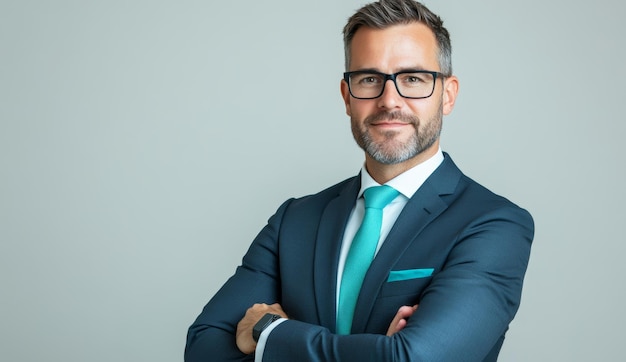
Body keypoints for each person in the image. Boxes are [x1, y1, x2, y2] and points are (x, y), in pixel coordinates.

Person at [185, 0, 534, 360]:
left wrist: (270, 333)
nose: (389, 100)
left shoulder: (493, 224)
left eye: (412, 78)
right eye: (369, 79)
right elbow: (203, 347)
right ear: (347, 96)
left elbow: (412, 358)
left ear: (447, 95)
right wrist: (377, 350)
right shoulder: (295, 221)